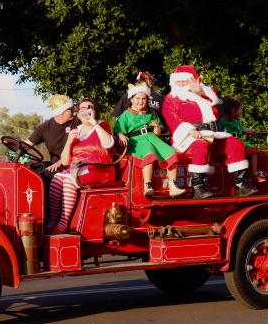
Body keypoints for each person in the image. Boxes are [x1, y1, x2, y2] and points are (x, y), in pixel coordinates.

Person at [162, 65, 258, 198]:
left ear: (194, 80)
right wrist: (190, 130)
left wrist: (200, 92)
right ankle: (198, 188)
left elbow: (218, 110)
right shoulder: (171, 98)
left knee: (236, 144)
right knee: (201, 145)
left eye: (185, 81)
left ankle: (241, 186)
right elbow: (171, 118)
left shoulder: (208, 92)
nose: (182, 84)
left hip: (214, 133)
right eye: (178, 82)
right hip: (188, 137)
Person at [46, 98, 115, 233]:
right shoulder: (76, 130)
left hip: (99, 167)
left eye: (90, 107)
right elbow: (65, 161)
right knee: (56, 179)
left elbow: (108, 144)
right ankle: (53, 221)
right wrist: (69, 141)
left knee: (68, 181)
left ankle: (63, 223)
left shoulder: (102, 125)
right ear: (78, 114)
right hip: (78, 168)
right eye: (82, 109)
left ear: (95, 111)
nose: (86, 110)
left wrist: (94, 123)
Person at [113, 81, 186, 198]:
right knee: (148, 152)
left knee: (171, 153)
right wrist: (120, 134)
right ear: (131, 99)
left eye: (143, 99)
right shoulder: (125, 115)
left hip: (152, 138)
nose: (140, 101)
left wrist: (156, 127)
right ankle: (147, 185)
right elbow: (117, 130)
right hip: (136, 141)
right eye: (137, 98)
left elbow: (157, 134)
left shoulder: (151, 114)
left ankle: (173, 185)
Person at [23, 94, 81, 186]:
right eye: (71, 108)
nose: (73, 111)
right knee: (28, 171)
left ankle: (44, 200)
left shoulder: (78, 123)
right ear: (62, 112)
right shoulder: (44, 128)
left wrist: (59, 163)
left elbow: (81, 149)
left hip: (72, 165)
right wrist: (8, 141)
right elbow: (25, 146)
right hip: (54, 165)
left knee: (44, 177)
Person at [220, 96, 266, 183]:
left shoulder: (236, 121)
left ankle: (254, 174)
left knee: (254, 151)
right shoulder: (223, 121)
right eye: (241, 109)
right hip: (231, 144)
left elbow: (240, 128)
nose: (242, 111)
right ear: (233, 110)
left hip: (240, 141)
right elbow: (227, 134)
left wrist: (250, 130)